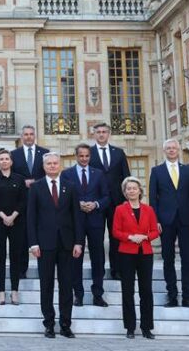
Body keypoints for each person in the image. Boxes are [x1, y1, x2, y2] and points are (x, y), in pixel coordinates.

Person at [27, 151, 83, 338]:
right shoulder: (36, 187)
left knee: (66, 285)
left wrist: (78, 242)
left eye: (55, 163)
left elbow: (77, 216)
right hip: (44, 245)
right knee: (47, 285)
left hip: (67, 244)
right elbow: (31, 218)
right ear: (43, 166)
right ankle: (49, 324)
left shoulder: (70, 186)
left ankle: (66, 324)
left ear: (60, 165)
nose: (52, 166)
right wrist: (33, 243)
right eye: (49, 163)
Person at [149, 138, 189, 308]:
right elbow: (153, 198)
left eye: (174, 148)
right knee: (168, 258)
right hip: (165, 221)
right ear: (164, 151)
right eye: (168, 148)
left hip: (186, 220)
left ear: (178, 150)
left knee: (187, 258)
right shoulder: (157, 171)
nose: (171, 150)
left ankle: (187, 296)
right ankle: (172, 295)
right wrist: (155, 220)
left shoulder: (188, 170)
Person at [61, 143, 109, 307]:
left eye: (87, 156)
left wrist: (95, 204)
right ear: (76, 156)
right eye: (81, 155)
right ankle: (78, 294)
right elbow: (63, 198)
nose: (84, 158)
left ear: (90, 156)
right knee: (76, 258)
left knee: (98, 258)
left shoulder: (99, 174)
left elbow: (106, 196)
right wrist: (78, 204)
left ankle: (98, 294)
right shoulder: (66, 174)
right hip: (75, 222)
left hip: (96, 221)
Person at [112, 176, 158, 339]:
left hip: (145, 253)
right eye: (128, 189)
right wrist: (131, 237)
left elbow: (155, 230)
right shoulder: (120, 209)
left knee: (146, 291)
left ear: (140, 191)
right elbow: (115, 231)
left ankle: (147, 327)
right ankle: (130, 327)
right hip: (126, 253)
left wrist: (145, 237)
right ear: (125, 192)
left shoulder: (149, 210)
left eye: (134, 188)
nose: (131, 191)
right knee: (128, 290)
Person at [0, 149, 27, 305]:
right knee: (0, 257)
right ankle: (1, 292)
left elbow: (23, 201)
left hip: (17, 222)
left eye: (6, 159)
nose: (4, 161)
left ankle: (14, 291)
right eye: (1, 159)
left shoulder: (19, 179)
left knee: (15, 257)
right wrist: (4, 217)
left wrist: (12, 216)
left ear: (11, 161)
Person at [92, 122, 130, 279]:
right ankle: (98, 271)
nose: (101, 134)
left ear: (108, 134)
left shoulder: (119, 153)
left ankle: (117, 270)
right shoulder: (88, 153)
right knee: (97, 238)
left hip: (117, 202)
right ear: (94, 134)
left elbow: (126, 177)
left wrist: (127, 200)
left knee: (116, 237)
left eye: (104, 132)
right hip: (96, 202)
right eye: (98, 132)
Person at [10, 124, 48, 279]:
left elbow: (50, 173)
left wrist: (35, 182)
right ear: (22, 137)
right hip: (21, 201)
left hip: (41, 201)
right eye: (26, 134)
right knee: (22, 237)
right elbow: (10, 176)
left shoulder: (45, 153)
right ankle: (21, 270)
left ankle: (44, 269)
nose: (28, 137)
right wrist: (22, 182)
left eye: (31, 134)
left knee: (42, 235)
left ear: (35, 135)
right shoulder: (14, 154)